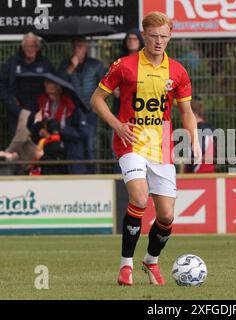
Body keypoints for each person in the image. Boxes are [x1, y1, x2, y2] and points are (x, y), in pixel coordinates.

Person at [90, 11, 201, 286]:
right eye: (153, 36)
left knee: (166, 215)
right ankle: (125, 266)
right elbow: (97, 99)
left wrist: (194, 138)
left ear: (170, 36)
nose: (159, 41)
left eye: (164, 36)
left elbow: (186, 111)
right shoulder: (124, 66)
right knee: (139, 198)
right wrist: (116, 124)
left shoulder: (178, 71)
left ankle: (151, 261)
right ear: (144, 36)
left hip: (161, 144)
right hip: (130, 142)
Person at [58, 38, 106, 174]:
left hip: (90, 111)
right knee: (73, 144)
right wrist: (71, 67)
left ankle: (92, 175)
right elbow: (58, 84)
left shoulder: (95, 65)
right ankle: (74, 173)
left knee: (90, 143)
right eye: (76, 45)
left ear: (86, 47)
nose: (78, 48)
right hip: (71, 111)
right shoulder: (65, 64)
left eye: (81, 45)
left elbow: (104, 85)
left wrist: (97, 103)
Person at [0, 32, 54, 137]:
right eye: (27, 46)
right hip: (17, 114)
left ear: (37, 48)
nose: (30, 49)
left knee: (37, 148)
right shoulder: (12, 62)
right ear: (22, 47)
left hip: (38, 114)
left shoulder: (45, 63)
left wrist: (44, 108)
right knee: (18, 147)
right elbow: (3, 84)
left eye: (33, 46)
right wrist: (11, 102)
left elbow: (53, 86)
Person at [31, 79, 89, 174]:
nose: (51, 96)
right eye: (49, 94)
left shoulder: (73, 107)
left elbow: (83, 133)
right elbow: (34, 131)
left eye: (54, 93)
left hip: (70, 153)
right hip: (50, 155)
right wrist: (40, 128)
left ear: (60, 89)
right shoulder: (44, 104)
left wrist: (59, 132)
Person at [111, 29, 145, 173]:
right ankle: (121, 173)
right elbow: (108, 84)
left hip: (142, 112)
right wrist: (114, 89)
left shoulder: (146, 61)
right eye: (129, 38)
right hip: (121, 112)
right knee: (121, 143)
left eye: (134, 39)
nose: (131, 41)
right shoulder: (119, 62)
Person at [181, 100, 215, 173]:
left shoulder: (197, 130)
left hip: (197, 172)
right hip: (210, 171)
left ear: (194, 114)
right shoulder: (210, 128)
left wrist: (189, 168)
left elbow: (198, 150)